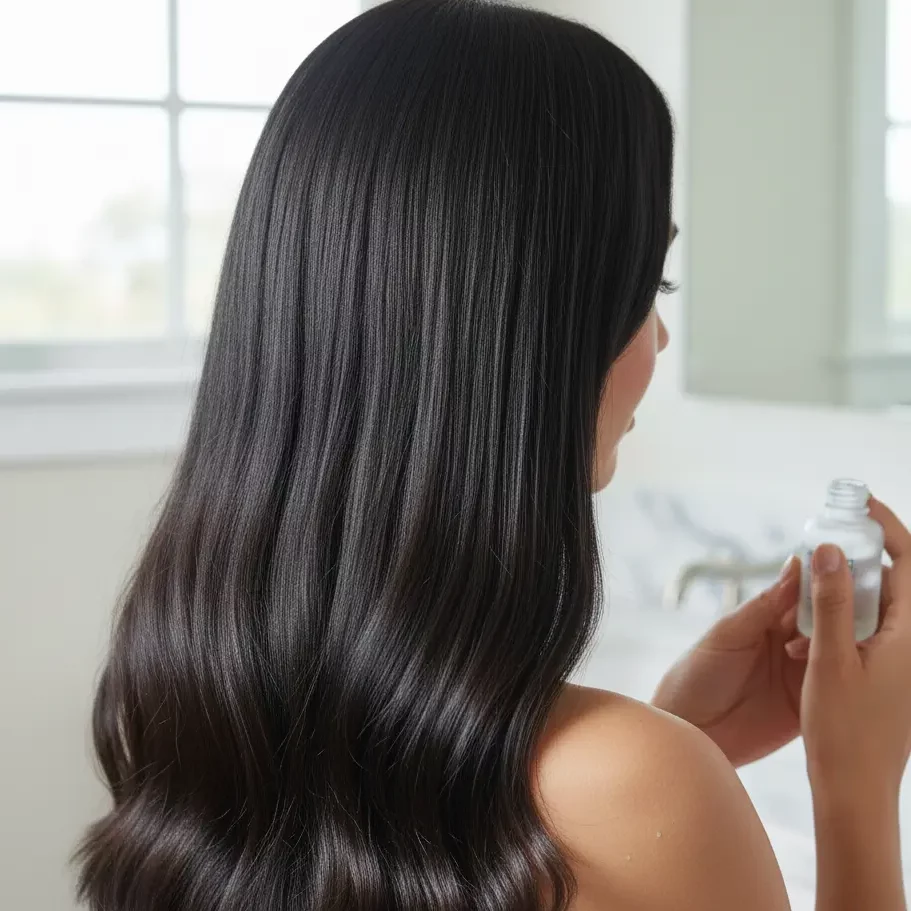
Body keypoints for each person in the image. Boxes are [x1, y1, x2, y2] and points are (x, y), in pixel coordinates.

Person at [76, 1, 911, 909]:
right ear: (525, 332)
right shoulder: (639, 790)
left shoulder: (190, 704)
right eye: (645, 285)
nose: (658, 337)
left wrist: (670, 732)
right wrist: (855, 785)